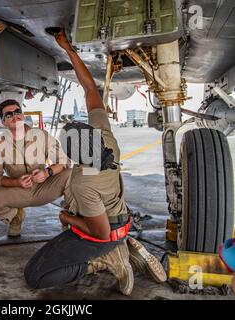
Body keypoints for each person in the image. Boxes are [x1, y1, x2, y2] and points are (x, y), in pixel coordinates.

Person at [24, 29, 166, 295]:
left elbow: (99, 232)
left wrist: (66, 216)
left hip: (104, 232)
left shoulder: (81, 184)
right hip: (117, 219)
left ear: (77, 156)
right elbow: (90, 87)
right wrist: (68, 49)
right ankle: (122, 246)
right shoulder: (105, 140)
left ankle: (107, 259)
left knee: (36, 275)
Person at [0, 99, 71, 237]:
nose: (15, 116)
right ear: (4, 122)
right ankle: (15, 216)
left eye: (17, 111)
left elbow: (64, 161)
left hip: (44, 186)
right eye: (9, 115)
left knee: (73, 174)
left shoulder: (41, 135)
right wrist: (16, 182)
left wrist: (47, 172)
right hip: (18, 190)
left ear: (22, 115)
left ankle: (70, 220)